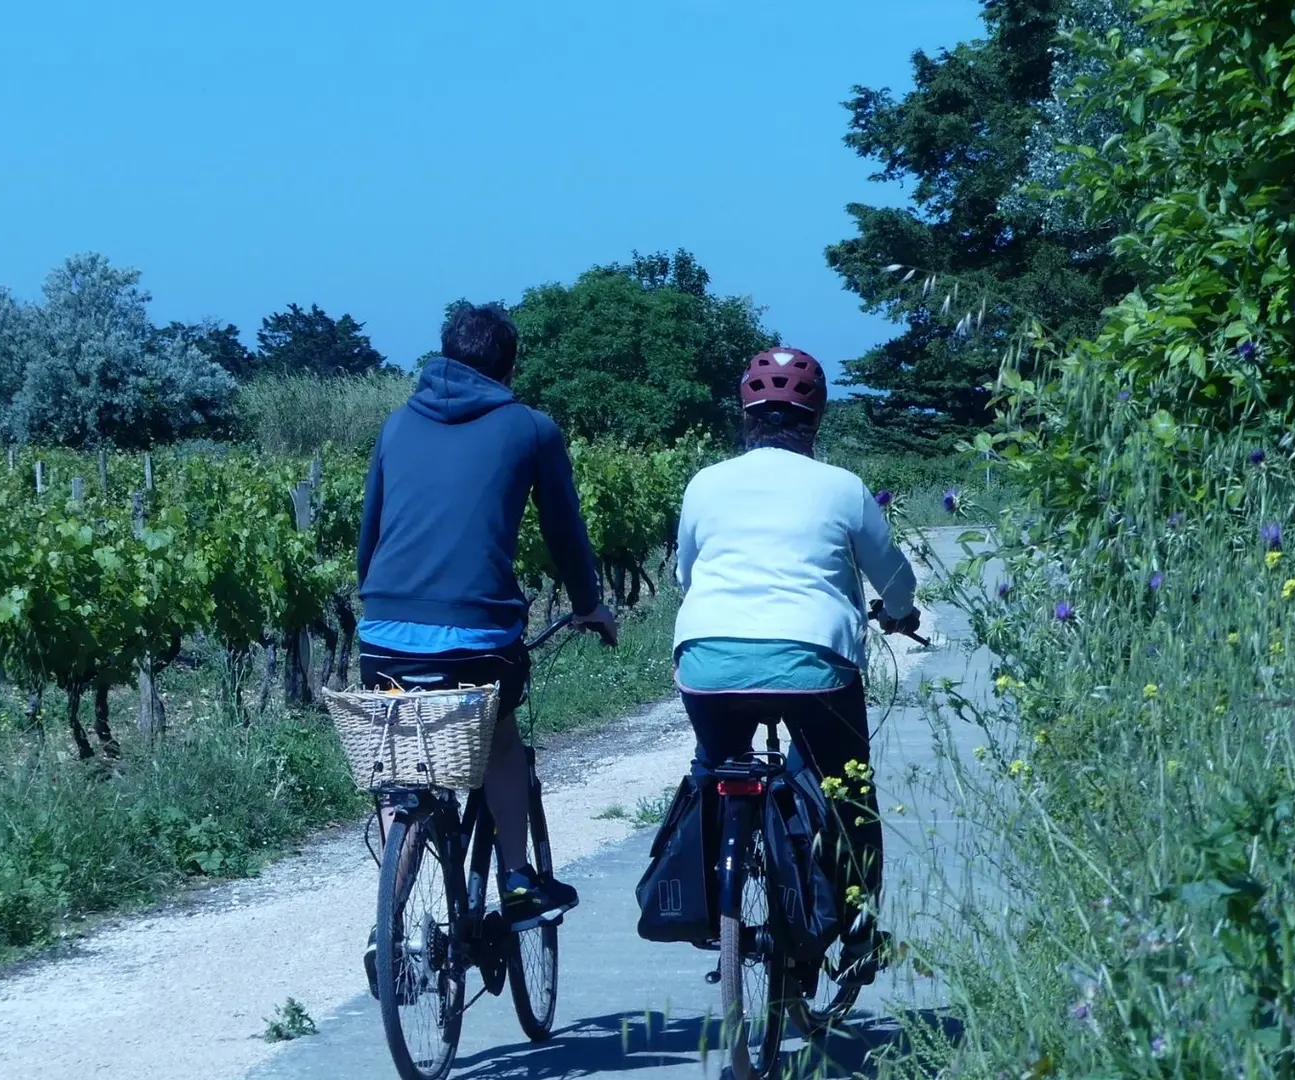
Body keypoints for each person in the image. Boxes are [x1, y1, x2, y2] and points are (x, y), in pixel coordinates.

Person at [356, 302, 617, 927]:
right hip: (477, 636)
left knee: (405, 767)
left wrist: (384, 607)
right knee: (500, 741)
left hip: (384, 633)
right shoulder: (530, 429)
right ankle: (517, 880)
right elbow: (565, 534)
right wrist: (590, 607)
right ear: (510, 365)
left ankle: (387, 929)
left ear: (445, 353)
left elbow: (370, 538)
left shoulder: (397, 424)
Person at [671, 346, 920, 985]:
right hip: (816, 663)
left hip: (708, 659)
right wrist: (900, 612)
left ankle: (712, 911)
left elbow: (685, 575)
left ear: (746, 415)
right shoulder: (841, 487)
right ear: (817, 419)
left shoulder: (705, 483)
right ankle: (860, 931)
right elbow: (891, 575)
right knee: (848, 788)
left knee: (713, 776)